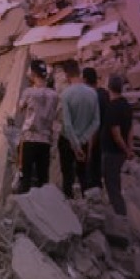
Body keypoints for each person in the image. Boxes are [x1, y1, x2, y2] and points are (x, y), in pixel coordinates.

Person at [14, 59, 60, 194]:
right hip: (45, 140)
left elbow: (20, 108)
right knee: (42, 178)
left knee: (25, 175)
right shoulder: (54, 95)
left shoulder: (28, 92)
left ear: (33, 73)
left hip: (29, 138)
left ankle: (24, 208)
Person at [58, 60, 99, 199]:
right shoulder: (93, 93)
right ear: (79, 71)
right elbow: (96, 121)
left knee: (67, 176)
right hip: (84, 141)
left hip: (67, 141)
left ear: (66, 75)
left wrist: (75, 144)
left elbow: (68, 124)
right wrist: (82, 140)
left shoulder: (66, 94)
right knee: (83, 176)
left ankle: (68, 207)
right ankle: (87, 206)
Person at [98, 75, 135, 216]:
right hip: (120, 153)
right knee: (114, 183)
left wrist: (126, 149)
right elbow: (131, 129)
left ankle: (120, 216)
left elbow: (116, 132)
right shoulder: (126, 105)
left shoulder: (112, 107)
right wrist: (129, 149)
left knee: (112, 186)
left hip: (112, 152)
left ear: (109, 87)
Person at [82, 66, 108, 193]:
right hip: (108, 140)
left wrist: (90, 149)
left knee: (92, 176)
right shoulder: (104, 93)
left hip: (97, 141)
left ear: (85, 80)